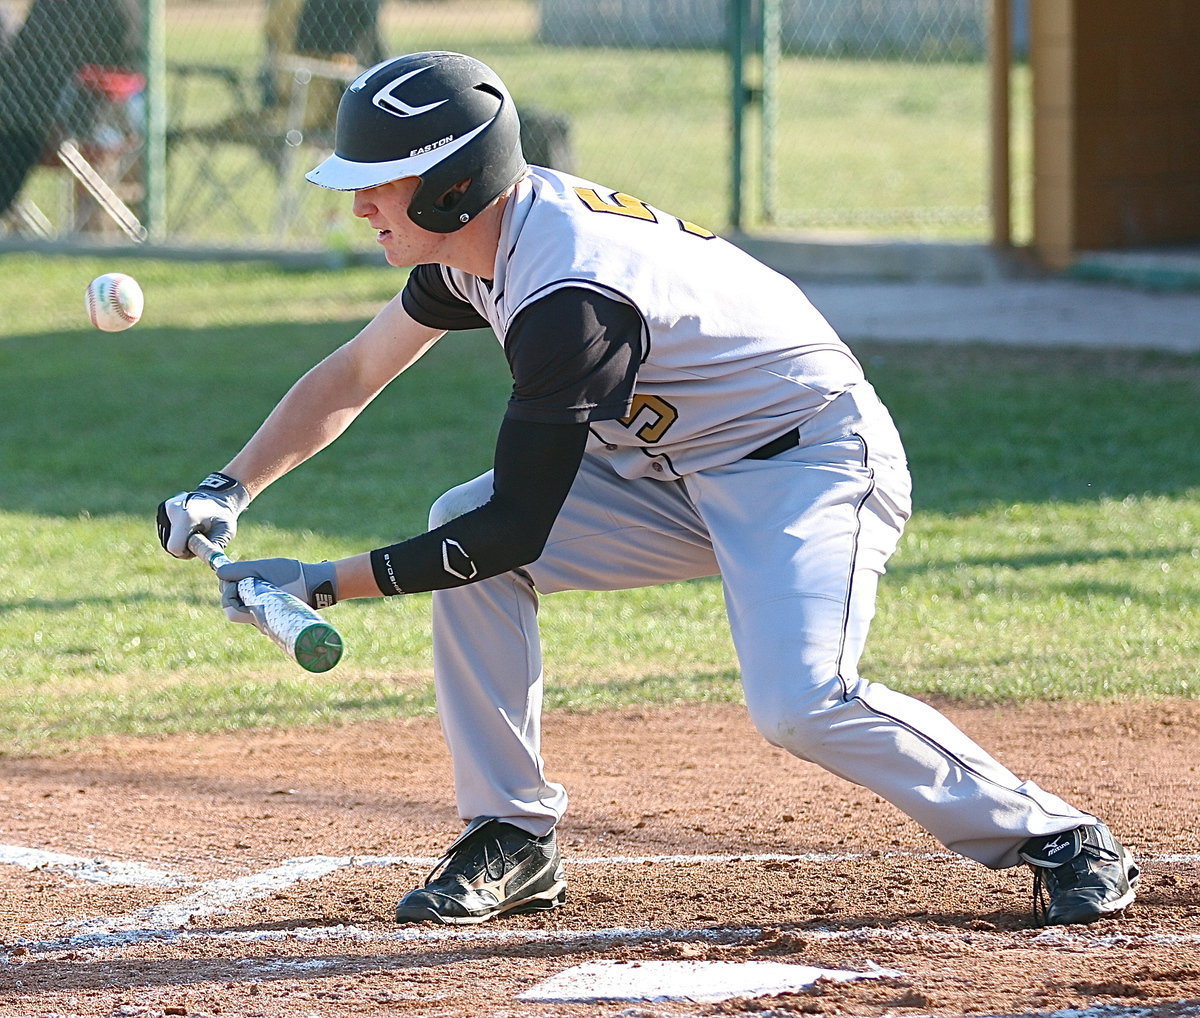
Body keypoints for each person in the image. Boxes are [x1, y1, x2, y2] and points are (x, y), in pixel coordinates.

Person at [157, 51, 1139, 929]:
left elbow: (514, 529)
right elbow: (353, 373)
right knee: (454, 524)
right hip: (674, 471)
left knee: (800, 701)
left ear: (456, 183)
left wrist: (320, 584)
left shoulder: (569, 296)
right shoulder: (479, 246)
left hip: (807, 462)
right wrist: (227, 486)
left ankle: (1057, 836)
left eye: (380, 183)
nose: (360, 205)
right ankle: (512, 833)